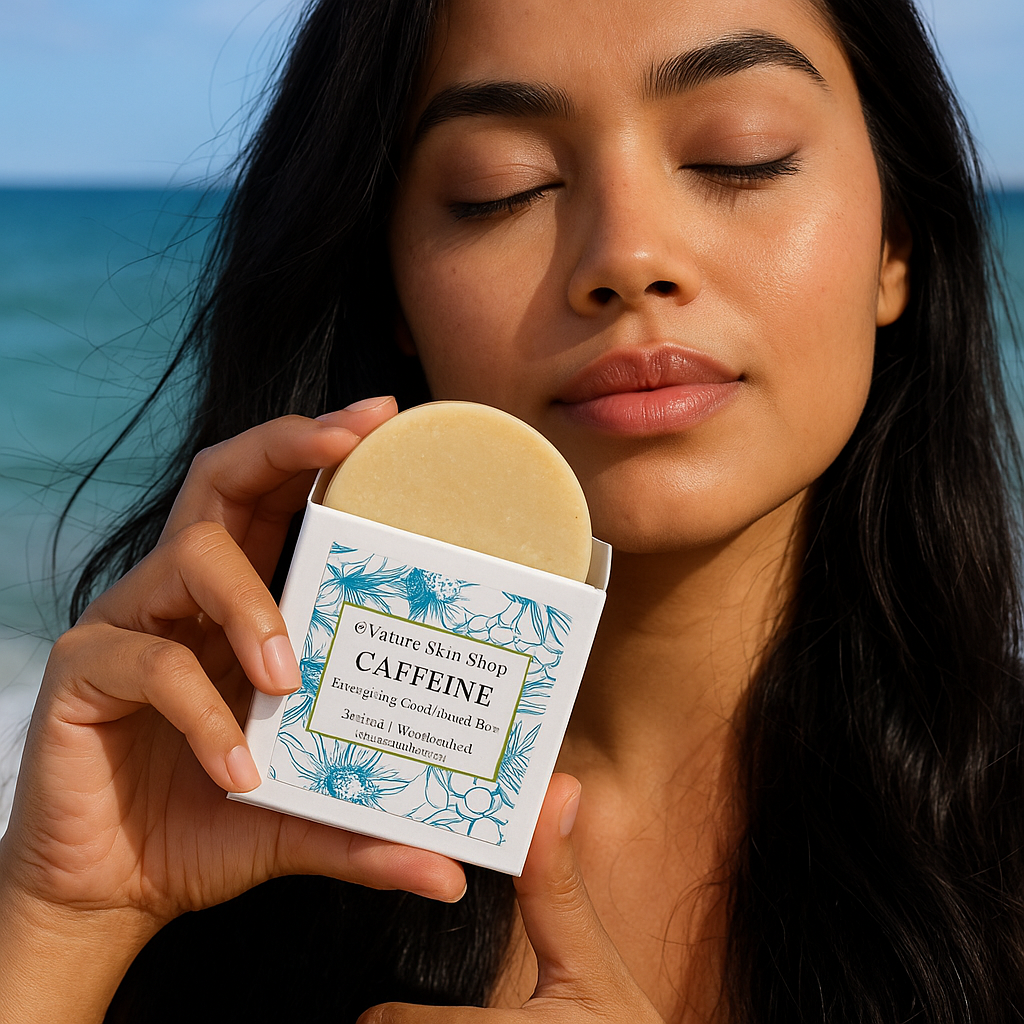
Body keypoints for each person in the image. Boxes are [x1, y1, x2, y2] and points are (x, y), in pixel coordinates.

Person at [1, 0, 1021, 1020]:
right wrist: (66, 921)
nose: (628, 256)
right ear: (393, 289)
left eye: (738, 156)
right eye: (503, 187)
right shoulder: (224, 809)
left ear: (895, 242)